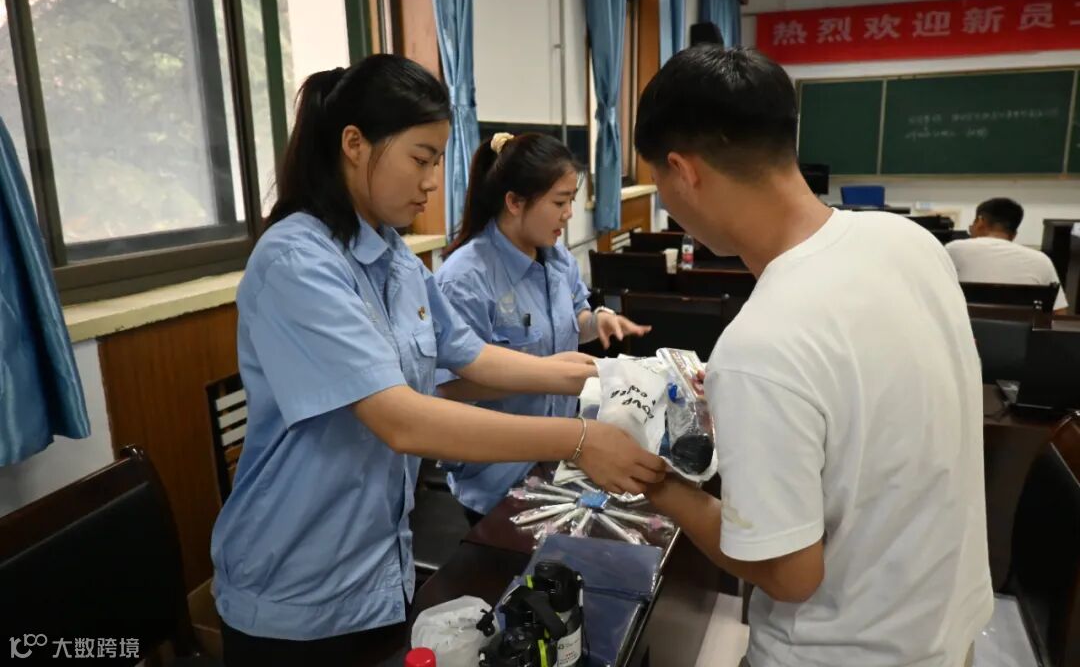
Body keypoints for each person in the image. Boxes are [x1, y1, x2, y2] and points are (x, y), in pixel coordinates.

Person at [210, 54, 666, 666]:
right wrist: (580, 439)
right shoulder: (297, 262)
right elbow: (401, 420)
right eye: (420, 159)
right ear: (354, 144)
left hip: (379, 566)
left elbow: (476, 357)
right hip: (297, 580)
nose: (431, 182)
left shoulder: (395, 258)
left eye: (438, 162)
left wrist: (611, 374)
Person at [632, 46, 992, 667]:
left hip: (842, 652)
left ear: (683, 171)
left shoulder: (758, 344)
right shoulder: (908, 241)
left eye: (658, 182)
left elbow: (790, 574)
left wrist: (659, 486)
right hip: (945, 630)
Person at [435, 132, 651, 519]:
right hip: (497, 473)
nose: (569, 214)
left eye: (571, 201)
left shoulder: (556, 258)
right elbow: (446, 389)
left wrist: (597, 321)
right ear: (514, 202)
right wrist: (548, 374)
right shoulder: (464, 279)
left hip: (559, 458)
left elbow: (573, 320)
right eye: (560, 202)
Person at [946, 197, 1068, 313]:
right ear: (1014, 235)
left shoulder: (953, 250)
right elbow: (1059, 313)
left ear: (980, 221)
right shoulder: (1041, 260)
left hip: (964, 327)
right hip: (1020, 328)